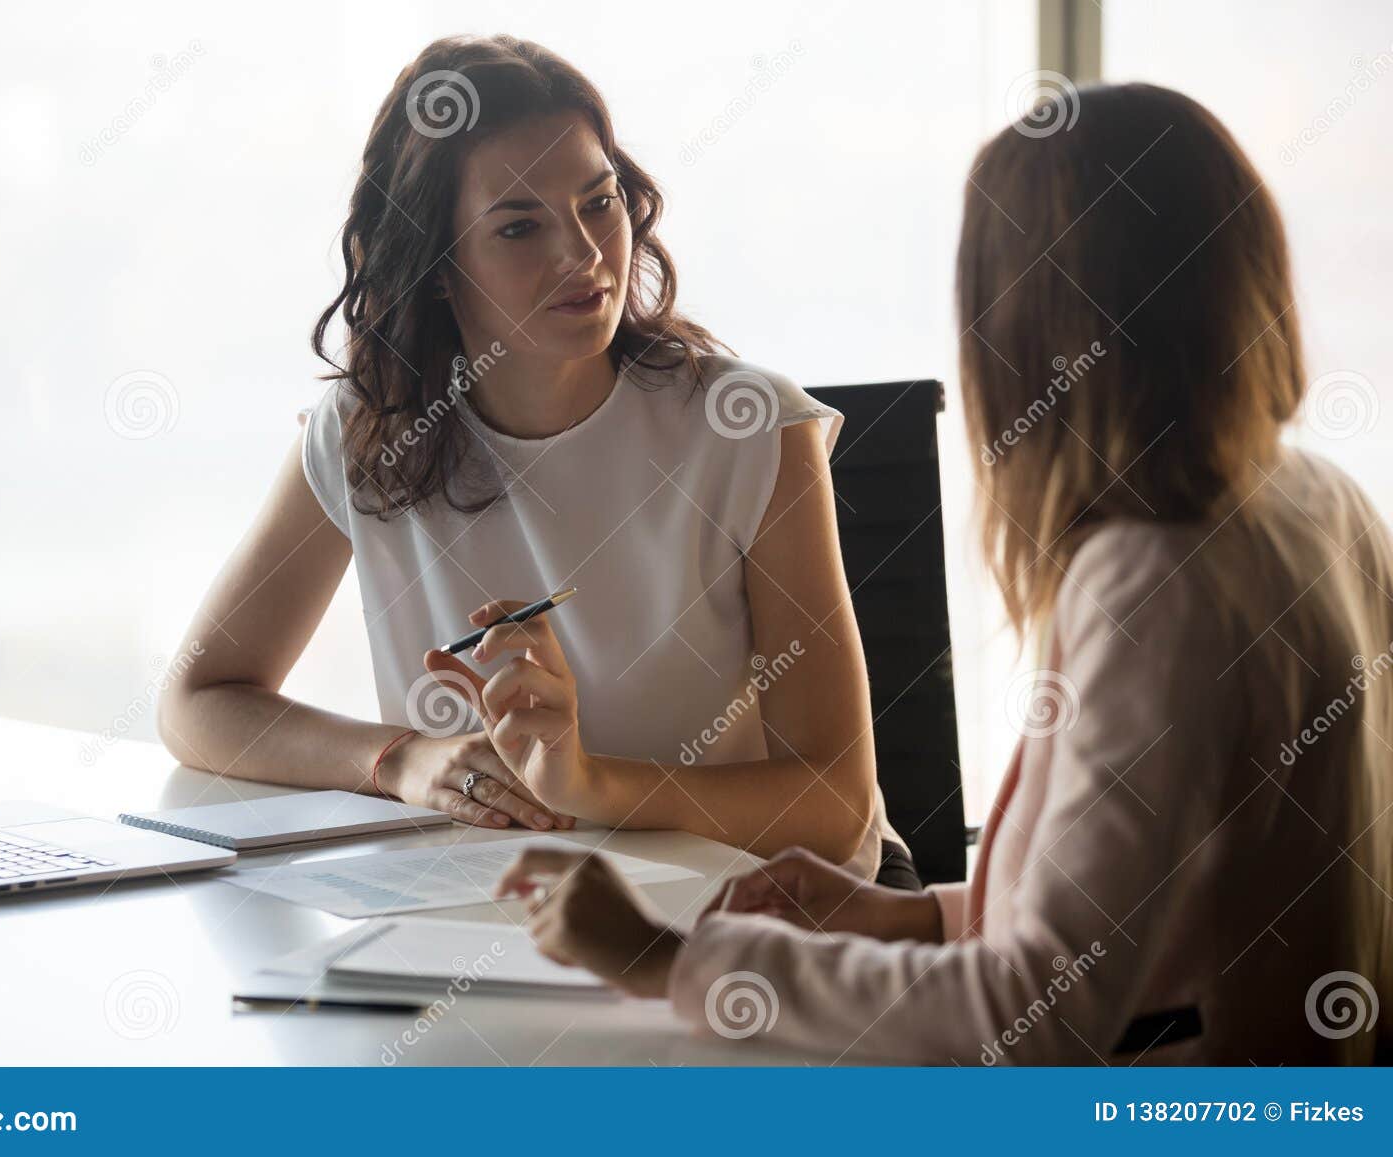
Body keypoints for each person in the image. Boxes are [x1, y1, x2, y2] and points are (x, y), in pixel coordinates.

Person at [496, 83, 1393, 1064]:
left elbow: (1032, 1017)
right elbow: (1158, 922)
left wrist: (666, 957)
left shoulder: (1151, 579)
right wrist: (914, 919)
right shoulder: (1315, 498)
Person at [157, 34, 914, 881]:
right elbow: (198, 701)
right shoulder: (369, 430)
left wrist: (590, 783)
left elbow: (835, 801)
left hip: (775, 906)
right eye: (520, 226)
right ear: (437, 267)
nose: (585, 255)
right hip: (507, 907)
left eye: (600, 202)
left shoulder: (749, 426)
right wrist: (401, 759)